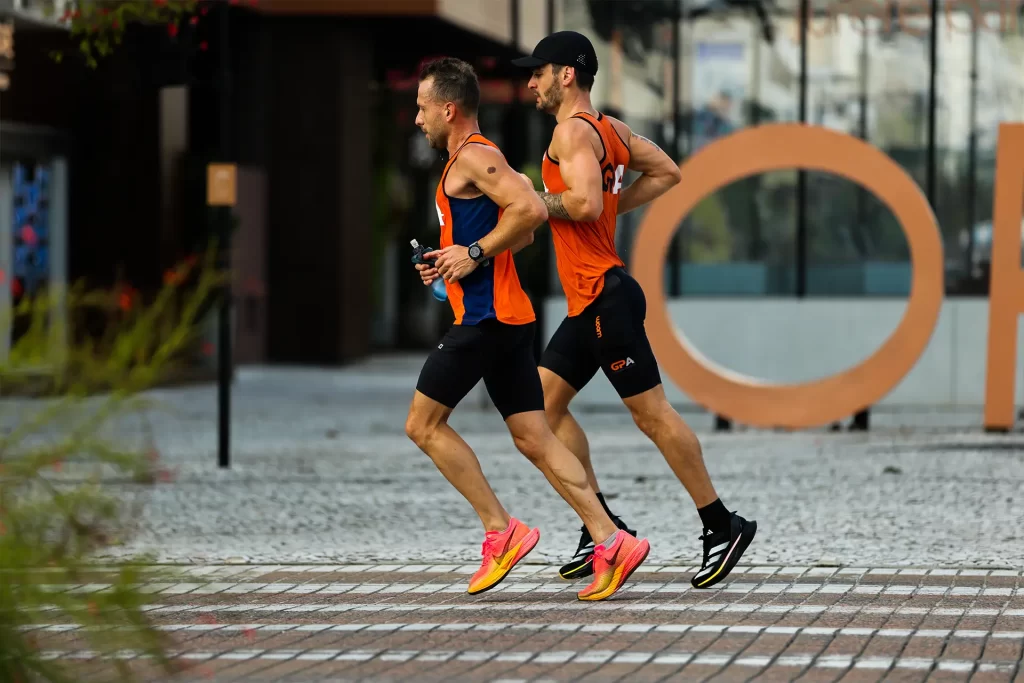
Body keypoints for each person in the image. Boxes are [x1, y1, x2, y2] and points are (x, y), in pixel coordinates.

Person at [511, 32, 757, 589]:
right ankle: (599, 526)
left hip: (604, 297)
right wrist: (606, 207)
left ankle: (721, 524)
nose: (531, 82)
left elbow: (583, 203)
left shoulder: (571, 132)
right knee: (543, 409)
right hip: (590, 300)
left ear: (567, 75)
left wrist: (530, 202)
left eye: (539, 71)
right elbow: (668, 171)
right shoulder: (612, 130)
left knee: (652, 415)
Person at [406, 56, 650, 601]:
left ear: (449, 108)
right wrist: (450, 261)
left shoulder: (476, 156)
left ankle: (502, 530)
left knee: (422, 426)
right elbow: (519, 233)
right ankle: (611, 539)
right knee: (534, 437)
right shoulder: (464, 163)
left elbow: (532, 213)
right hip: (503, 317)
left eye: (422, 108)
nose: (417, 118)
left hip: (486, 321)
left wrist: (470, 253)